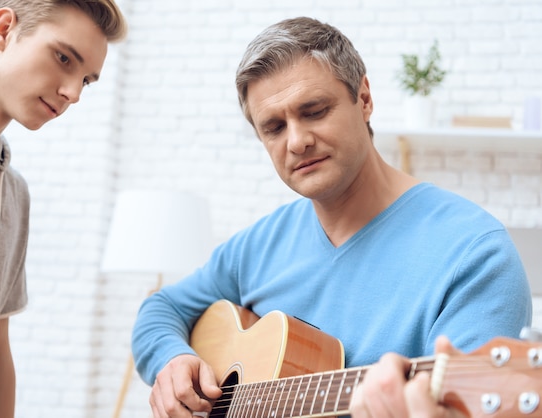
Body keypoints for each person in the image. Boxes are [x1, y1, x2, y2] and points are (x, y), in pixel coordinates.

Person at [131, 16, 532, 418]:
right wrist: (171, 360)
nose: (297, 141)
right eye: (273, 127)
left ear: (365, 99)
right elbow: (161, 309)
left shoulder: (475, 255)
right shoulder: (258, 245)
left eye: (314, 111)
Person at [0, 1, 126, 417]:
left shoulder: (14, 194)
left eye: (87, 79)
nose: (73, 93)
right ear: (4, 28)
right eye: (63, 58)